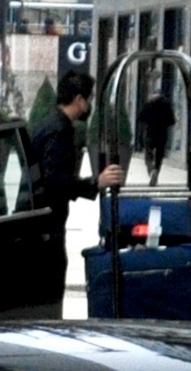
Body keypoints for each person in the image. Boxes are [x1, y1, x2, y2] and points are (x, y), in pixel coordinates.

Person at [29, 69, 125, 303]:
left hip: (43, 222)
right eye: (89, 99)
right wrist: (95, 183)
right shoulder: (59, 130)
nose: (90, 105)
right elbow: (54, 181)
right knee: (51, 287)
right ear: (79, 100)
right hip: (48, 225)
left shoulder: (48, 123)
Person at [136, 84, 175, 184]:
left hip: (150, 133)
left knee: (148, 155)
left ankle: (151, 170)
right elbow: (172, 121)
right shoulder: (166, 104)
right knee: (159, 156)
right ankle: (156, 171)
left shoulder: (149, 103)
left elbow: (141, 118)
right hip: (162, 135)